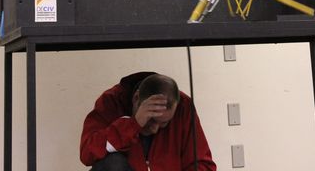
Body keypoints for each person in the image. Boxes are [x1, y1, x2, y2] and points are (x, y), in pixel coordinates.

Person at [80, 71, 217, 171]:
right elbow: (87, 153)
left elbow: (202, 164)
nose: (155, 129)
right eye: (151, 120)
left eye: (164, 123)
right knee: (112, 163)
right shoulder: (112, 102)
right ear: (136, 98)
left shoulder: (183, 106)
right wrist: (133, 125)